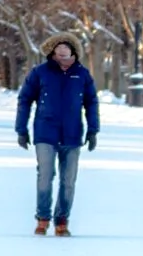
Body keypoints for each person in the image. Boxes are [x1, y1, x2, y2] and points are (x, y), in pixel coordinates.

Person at [15, 33, 100, 237]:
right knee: (45, 175)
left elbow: (91, 102)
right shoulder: (40, 73)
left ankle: (62, 220)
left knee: (68, 180)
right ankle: (43, 218)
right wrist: (21, 129)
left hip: (72, 134)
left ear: (73, 52)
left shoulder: (82, 74)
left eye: (67, 47)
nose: (62, 50)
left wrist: (93, 129)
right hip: (46, 132)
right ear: (52, 51)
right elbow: (25, 99)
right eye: (58, 47)